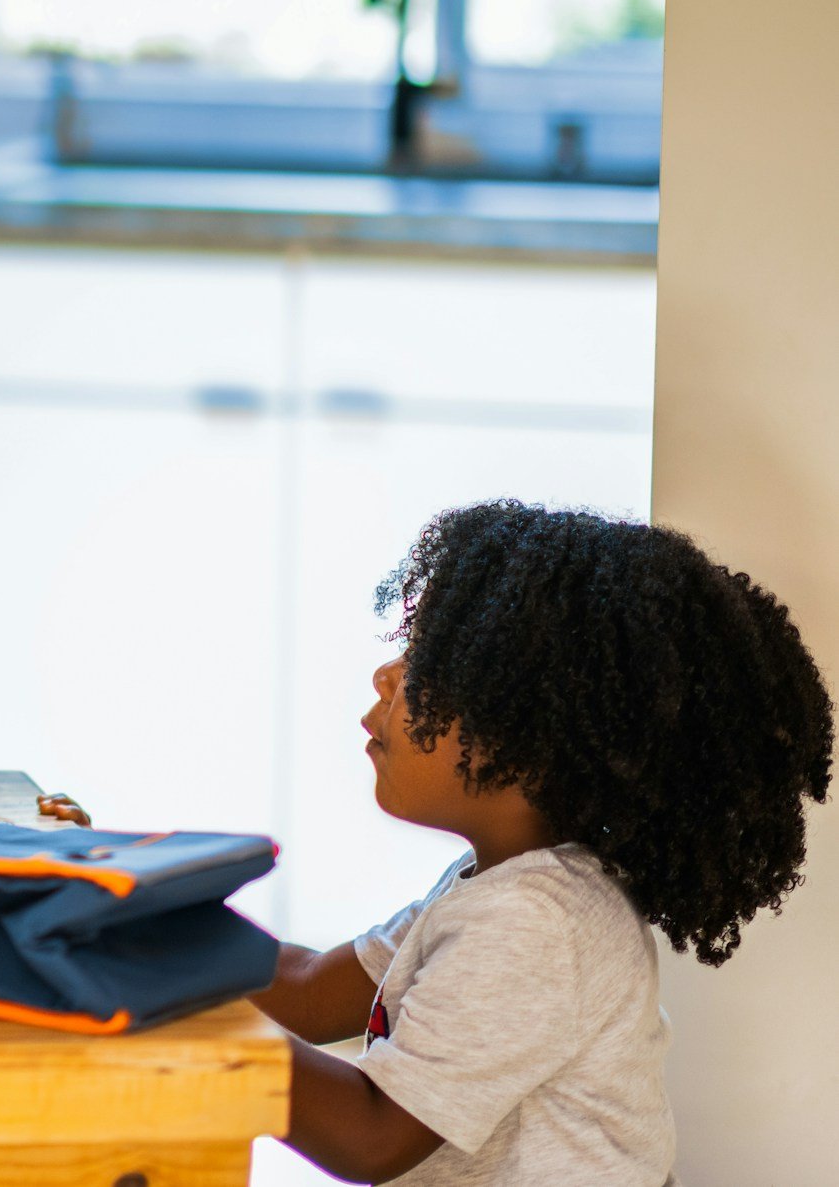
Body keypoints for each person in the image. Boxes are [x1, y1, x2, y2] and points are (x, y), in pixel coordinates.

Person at [254, 501, 833, 1184]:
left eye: (431, 660)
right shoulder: (496, 885)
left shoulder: (536, 919)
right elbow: (308, 988)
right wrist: (131, 918)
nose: (388, 675)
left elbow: (371, 1133)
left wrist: (214, 1048)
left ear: (532, 727)